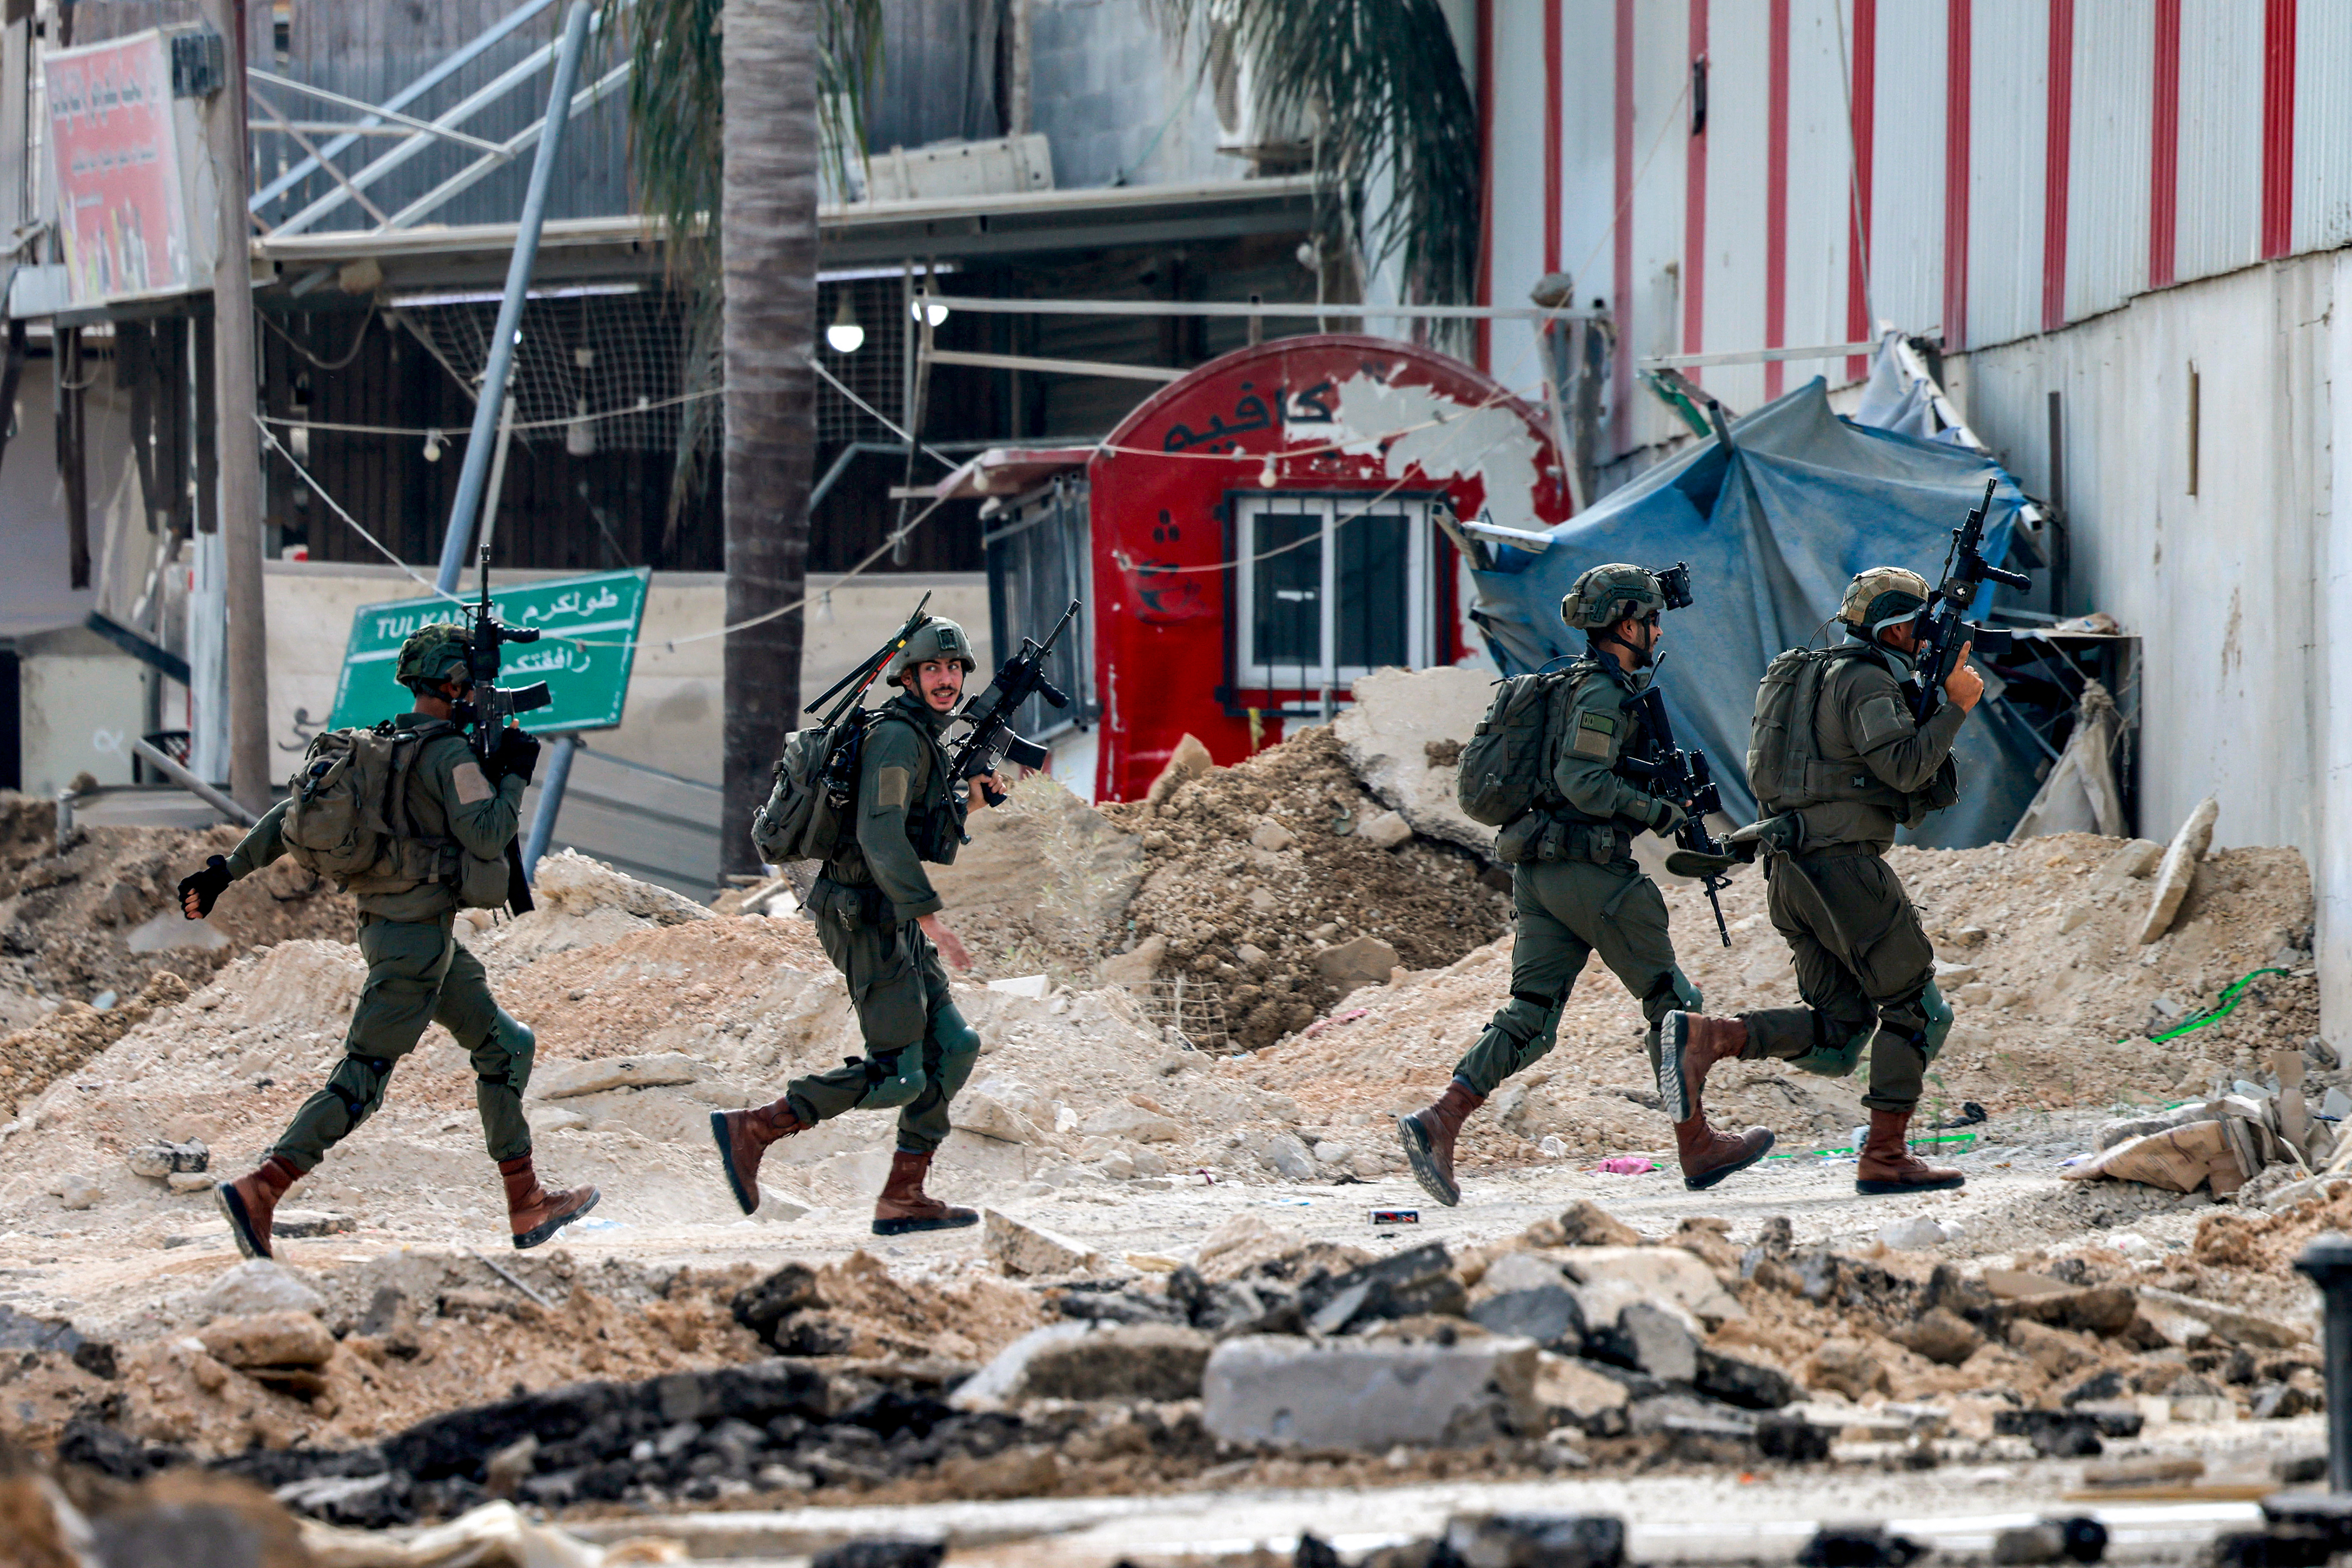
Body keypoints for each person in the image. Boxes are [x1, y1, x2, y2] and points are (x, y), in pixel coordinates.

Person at [176, 625, 598, 1258]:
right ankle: (263, 1187)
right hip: (416, 946)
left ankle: (526, 1202)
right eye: (470, 685)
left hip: (401, 933)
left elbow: (286, 820)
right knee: (362, 1079)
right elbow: (487, 837)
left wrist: (224, 872)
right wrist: (513, 775)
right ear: (453, 686)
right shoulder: (451, 758)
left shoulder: (371, 745)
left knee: (505, 1046)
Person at [1396, 564, 1771, 1205]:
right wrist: (1662, 813)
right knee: (1673, 1004)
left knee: (1532, 1017)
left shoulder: (1564, 686)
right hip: (1590, 872)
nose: (1657, 631)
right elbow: (1583, 783)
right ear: (1626, 625)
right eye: (1651, 620)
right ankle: (1698, 1144)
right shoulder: (1600, 694)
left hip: (1539, 875)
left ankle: (1440, 1121)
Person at [1658, 566, 1982, 1196]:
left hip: (1789, 870)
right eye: (1915, 627)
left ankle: (1711, 1038)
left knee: (1838, 1032)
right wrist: (1956, 707)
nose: (1922, 639)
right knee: (1917, 1011)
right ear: (1892, 628)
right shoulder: (1864, 683)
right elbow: (1908, 766)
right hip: (1844, 869)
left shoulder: (1809, 675)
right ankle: (1886, 1157)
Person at [710, 618, 1000, 1236]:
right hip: (864, 918)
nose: (946, 680)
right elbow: (879, 836)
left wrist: (972, 801)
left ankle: (905, 1195)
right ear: (909, 677)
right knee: (898, 1073)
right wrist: (930, 917)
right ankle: (755, 1128)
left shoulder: (922, 737)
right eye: (932, 670)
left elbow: (920, 835)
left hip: (890, 916)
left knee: (955, 1047)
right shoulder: (896, 739)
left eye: (953, 670)